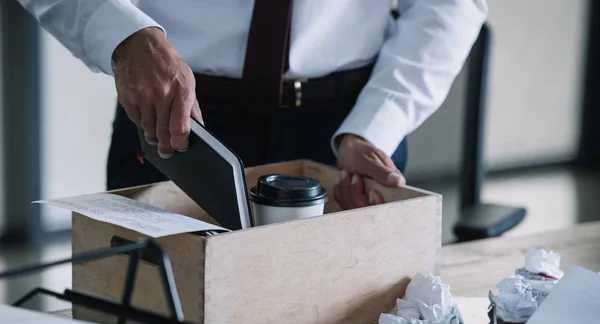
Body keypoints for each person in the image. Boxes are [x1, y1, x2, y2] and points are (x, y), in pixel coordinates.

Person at [18, 0, 487, 209]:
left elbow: (449, 4)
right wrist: (120, 32)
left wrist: (378, 123)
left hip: (351, 124)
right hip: (178, 119)